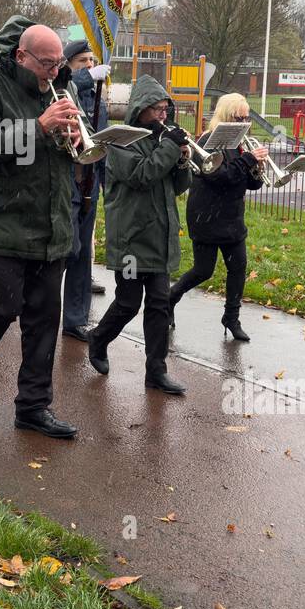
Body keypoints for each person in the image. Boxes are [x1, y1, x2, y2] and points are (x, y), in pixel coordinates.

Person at [0, 17, 83, 439]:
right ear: (21, 56)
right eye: (46, 64)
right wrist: (40, 126)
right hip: (2, 222)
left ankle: (33, 407)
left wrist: (78, 138)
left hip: (52, 223)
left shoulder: (64, 86)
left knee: (44, 320)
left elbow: (68, 150)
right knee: (0, 309)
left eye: (59, 63)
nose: (54, 72)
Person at [87, 75, 193, 394]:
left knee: (159, 304)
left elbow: (177, 187)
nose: (163, 115)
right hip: (131, 241)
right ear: (140, 110)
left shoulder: (163, 142)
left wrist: (183, 162)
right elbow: (141, 175)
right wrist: (171, 150)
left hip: (158, 238)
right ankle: (98, 338)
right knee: (129, 302)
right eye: (157, 109)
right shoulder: (121, 141)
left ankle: (156, 371)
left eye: (165, 109)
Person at [167, 93, 266, 342]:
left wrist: (256, 170)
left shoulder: (240, 143)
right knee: (203, 270)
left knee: (238, 268)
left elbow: (249, 183)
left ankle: (231, 318)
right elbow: (220, 177)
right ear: (225, 116)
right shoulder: (208, 142)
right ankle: (170, 298)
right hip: (207, 216)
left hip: (232, 216)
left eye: (247, 117)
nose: (244, 122)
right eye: (238, 117)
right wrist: (247, 161)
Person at [59, 38, 111, 341]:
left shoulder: (98, 99)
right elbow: (65, 85)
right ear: (68, 65)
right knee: (68, 249)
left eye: (92, 61)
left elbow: (101, 144)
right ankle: (38, 305)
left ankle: (76, 319)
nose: (90, 66)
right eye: (83, 62)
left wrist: (105, 185)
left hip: (89, 184)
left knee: (81, 259)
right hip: (67, 183)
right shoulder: (66, 91)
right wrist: (84, 78)